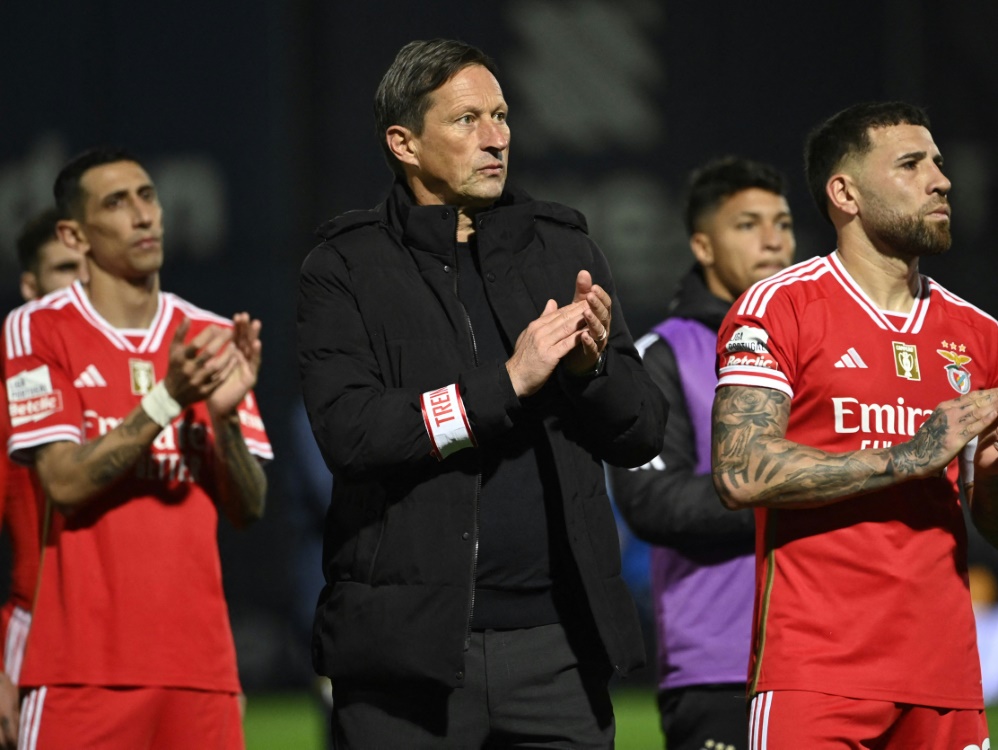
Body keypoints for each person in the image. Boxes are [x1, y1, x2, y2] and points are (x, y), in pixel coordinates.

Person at [297, 38, 667, 748]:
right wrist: (506, 384)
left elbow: (641, 432)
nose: (496, 138)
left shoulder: (562, 250)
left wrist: (592, 374)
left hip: (557, 650)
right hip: (410, 656)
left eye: (501, 116)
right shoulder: (343, 266)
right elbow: (352, 435)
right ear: (404, 142)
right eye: (467, 120)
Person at [711, 101, 998, 748]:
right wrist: (911, 453)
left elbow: (989, 523)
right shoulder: (778, 308)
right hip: (816, 672)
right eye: (910, 163)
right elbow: (738, 471)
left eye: (938, 163)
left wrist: (990, 481)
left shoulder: (981, 335)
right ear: (844, 192)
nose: (939, 179)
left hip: (947, 677)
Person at [1, 147, 272, 749]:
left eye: (148, 196)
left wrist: (224, 423)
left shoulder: (209, 335)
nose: (144, 215)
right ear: (74, 234)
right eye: (117, 203)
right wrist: (167, 399)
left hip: (201, 674)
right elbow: (65, 484)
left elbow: (248, 507)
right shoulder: (38, 329)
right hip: (80, 673)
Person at [610, 156, 795, 750]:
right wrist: (806, 493)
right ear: (702, 245)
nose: (773, 239)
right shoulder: (660, 355)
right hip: (722, 666)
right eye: (747, 224)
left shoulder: (825, 348)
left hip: (837, 654)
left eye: (784, 223)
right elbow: (650, 499)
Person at [0, 210, 88, 749]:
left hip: (143, 644)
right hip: (39, 639)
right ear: (30, 286)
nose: (80, 285)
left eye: (90, 269)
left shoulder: (145, 378)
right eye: (64, 269)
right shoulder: (9, 394)